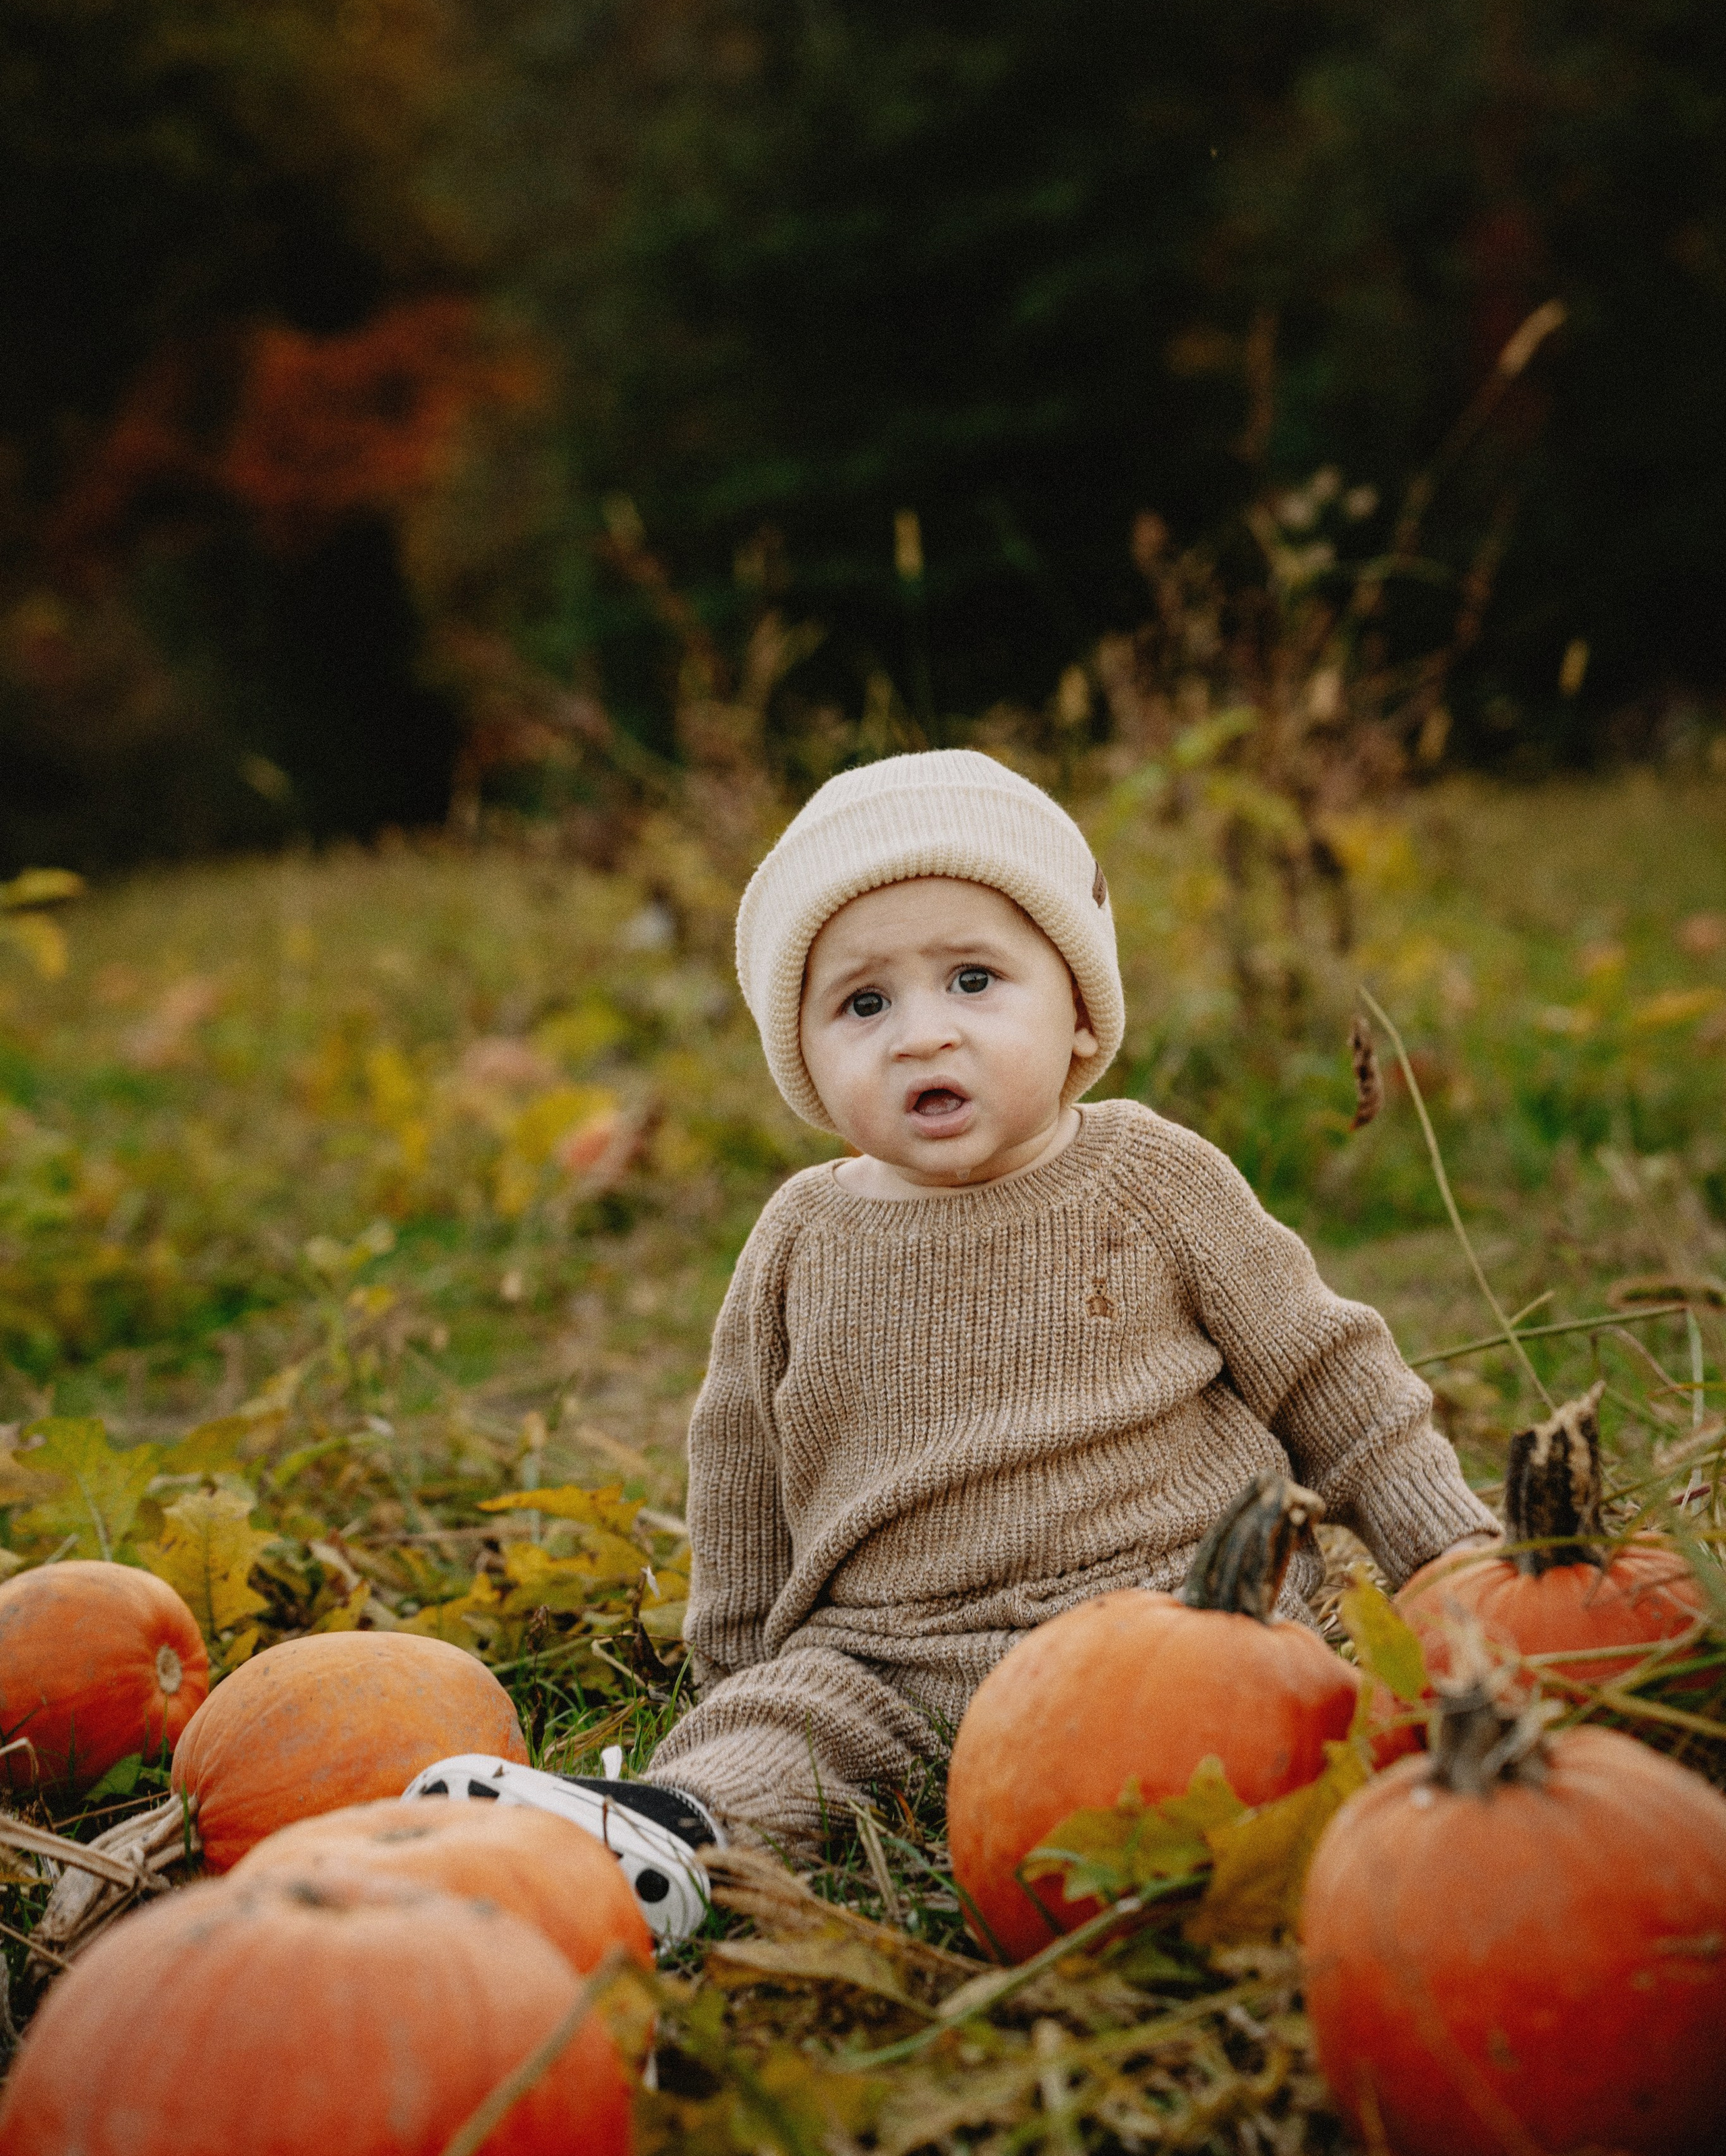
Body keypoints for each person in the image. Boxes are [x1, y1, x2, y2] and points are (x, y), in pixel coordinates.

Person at [413, 750, 1495, 1905]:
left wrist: (1454, 1556)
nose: (921, 1034)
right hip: (897, 1654)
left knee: (1253, 1723)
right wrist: (729, 1677)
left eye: (974, 981)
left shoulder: (1153, 1178)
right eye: (864, 1003)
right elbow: (741, 1473)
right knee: (795, 1731)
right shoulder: (801, 1235)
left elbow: (1329, 1375)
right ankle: (656, 1840)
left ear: (1079, 1012)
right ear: (811, 1066)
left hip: (1179, 1612)